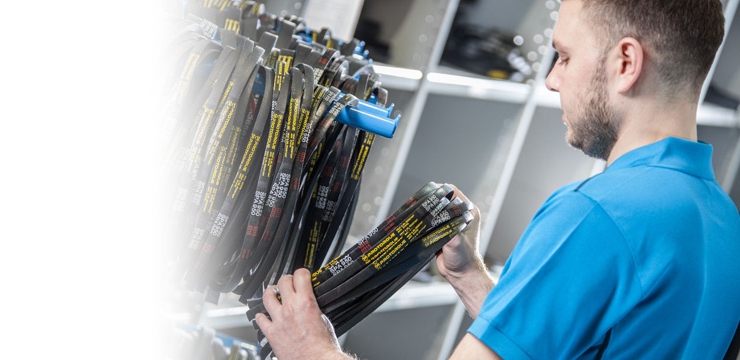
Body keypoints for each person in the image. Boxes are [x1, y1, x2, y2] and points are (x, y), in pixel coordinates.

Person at [254, 0, 740, 358]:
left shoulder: (597, 214)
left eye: (565, 56)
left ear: (626, 64)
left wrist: (313, 351)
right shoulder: (721, 220)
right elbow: (570, 341)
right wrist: (472, 280)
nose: (552, 79)